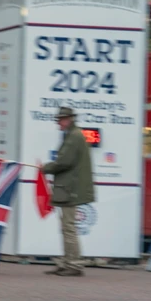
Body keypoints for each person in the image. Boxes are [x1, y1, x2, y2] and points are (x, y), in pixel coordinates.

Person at [39, 106, 95, 277]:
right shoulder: (75, 135)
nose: (58, 124)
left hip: (70, 189)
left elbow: (64, 162)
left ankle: (74, 264)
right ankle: (68, 262)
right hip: (71, 188)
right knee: (67, 227)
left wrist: (45, 168)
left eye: (60, 120)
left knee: (68, 227)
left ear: (68, 119)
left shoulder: (73, 137)